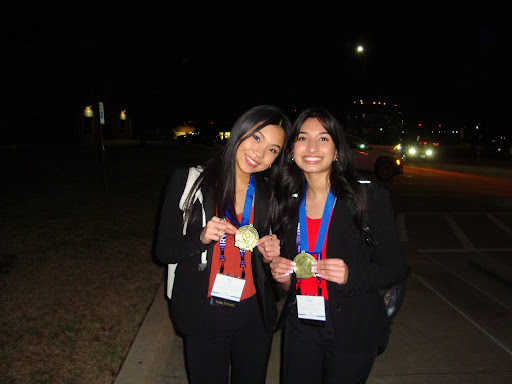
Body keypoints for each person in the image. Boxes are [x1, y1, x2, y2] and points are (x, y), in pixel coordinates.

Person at [269, 108, 409, 384]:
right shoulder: (286, 202)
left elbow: (396, 269)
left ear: (336, 151)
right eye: (302, 138)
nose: (311, 147)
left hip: (353, 328)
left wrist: (352, 274)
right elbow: (286, 281)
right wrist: (282, 278)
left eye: (323, 139)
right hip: (302, 326)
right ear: (292, 149)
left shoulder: (367, 198)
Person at [155, 105, 291, 384]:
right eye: (256, 138)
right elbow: (164, 251)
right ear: (240, 131)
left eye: (273, 150)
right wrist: (200, 238)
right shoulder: (191, 180)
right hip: (204, 311)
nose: (260, 153)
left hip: (254, 314)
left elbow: (279, 258)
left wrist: (272, 255)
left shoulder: (270, 193)